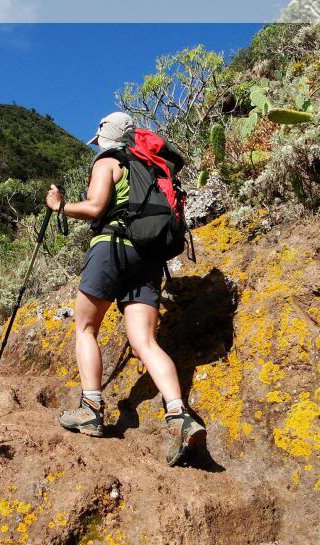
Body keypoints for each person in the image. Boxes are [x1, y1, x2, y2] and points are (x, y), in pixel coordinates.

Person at [44, 111, 206, 466]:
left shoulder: (109, 161)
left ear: (105, 136)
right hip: (148, 258)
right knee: (145, 342)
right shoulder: (148, 168)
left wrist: (59, 207)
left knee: (86, 328)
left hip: (111, 249)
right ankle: (180, 416)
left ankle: (90, 409)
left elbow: (96, 207)